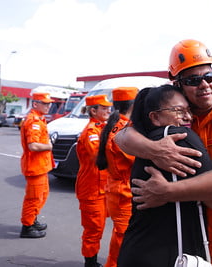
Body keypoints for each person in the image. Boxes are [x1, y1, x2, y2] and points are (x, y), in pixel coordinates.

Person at [115, 39, 212, 266]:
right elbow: (123, 136)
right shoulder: (176, 117)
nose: (204, 85)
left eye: (209, 77)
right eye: (193, 80)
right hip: (189, 242)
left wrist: (168, 192)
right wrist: (156, 150)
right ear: (178, 85)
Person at [117, 84, 212, 267]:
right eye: (179, 111)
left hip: (140, 249)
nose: (187, 117)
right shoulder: (177, 135)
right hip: (166, 254)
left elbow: (122, 135)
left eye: (189, 110)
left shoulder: (149, 138)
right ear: (155, 117)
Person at [96, 87, 138, 267]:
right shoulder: (123, 131)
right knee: (123, 242)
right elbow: (138, 157)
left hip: (121, 190)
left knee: (122, 239)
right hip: (123, 192)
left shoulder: (119, 126)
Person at [75, 95, 112, 267]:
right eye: (104, 108)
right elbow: (98, 156)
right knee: (93, 229)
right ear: (93, 110)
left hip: (102, 188)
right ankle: (90, 262)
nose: (108, 110)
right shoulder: (91, 131)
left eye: (108, 107)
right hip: (91, 189)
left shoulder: (102, 128)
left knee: (101, 227)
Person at [19, 92, 55, 238]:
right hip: (35, 166)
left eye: (49, 103)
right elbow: (33, 146)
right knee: (33, 197)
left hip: (41, 166)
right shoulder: (33, 121)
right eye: (45, 103)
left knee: (42, 195)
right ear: (35, 104)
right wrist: (49, 146)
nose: (48, 106)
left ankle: (32, 219)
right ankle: (27, 227)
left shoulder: (39, 119)